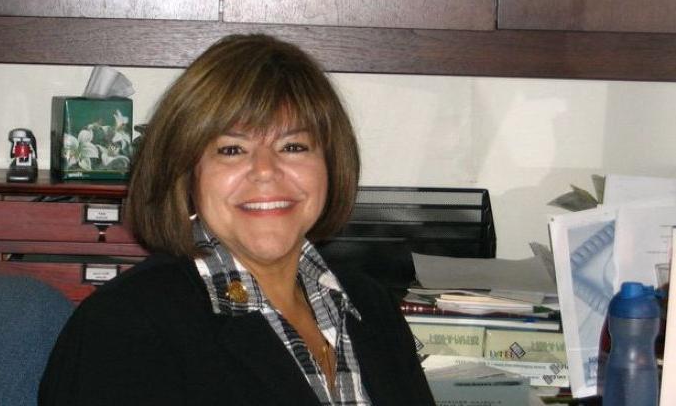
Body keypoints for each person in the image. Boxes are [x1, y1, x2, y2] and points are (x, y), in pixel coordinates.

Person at [39, 34, 435, 406]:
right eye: (232, 149)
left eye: (293, 146)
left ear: (330, 166)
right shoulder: (123, 329)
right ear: (186, 172)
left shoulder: (370, 307)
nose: (266, 170)